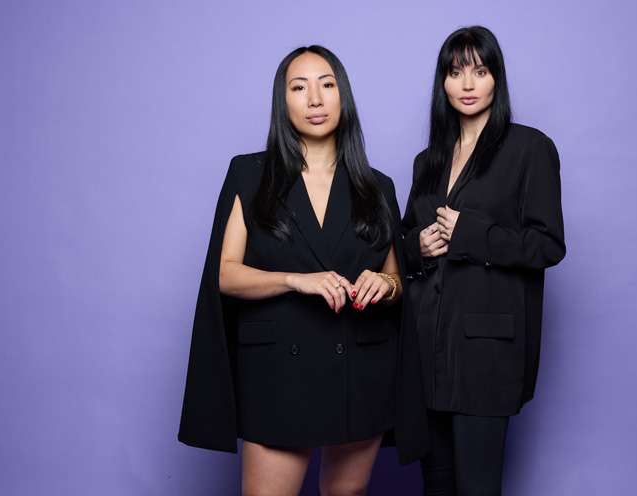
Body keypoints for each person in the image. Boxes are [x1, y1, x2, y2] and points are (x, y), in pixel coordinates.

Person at [178, 45, 407, 495]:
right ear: (283, 103)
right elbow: (225, 274)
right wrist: (293, 280)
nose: (315, 100)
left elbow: (398, 280)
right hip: (278, 373)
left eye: (327, 85)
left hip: (358, 369)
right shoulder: (249, 173)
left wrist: (385, 283)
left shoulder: (377, 186)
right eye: (299, 88)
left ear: (344, 96)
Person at [401, 26, 566, 495]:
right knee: (435, 482)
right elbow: (401, 241)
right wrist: (418, 246)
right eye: (455, 73)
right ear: (443, 83)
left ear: (497, 78)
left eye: (480, 71)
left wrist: (471, 233)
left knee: (477, 486)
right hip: (426, 343)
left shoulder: (529, 149)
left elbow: (547, 246)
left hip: (487, 352)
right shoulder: (427, 161)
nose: (468, 84)